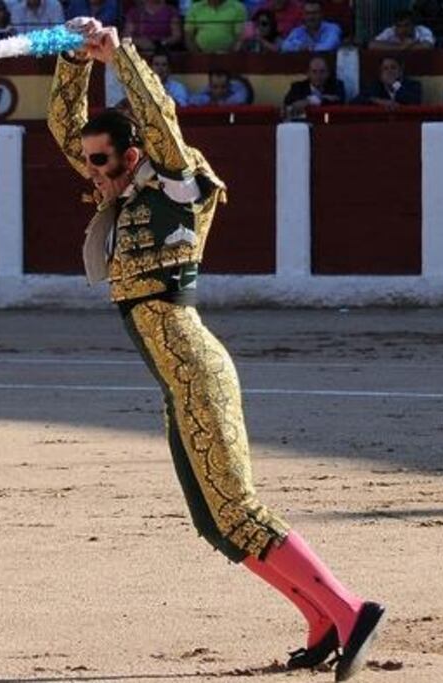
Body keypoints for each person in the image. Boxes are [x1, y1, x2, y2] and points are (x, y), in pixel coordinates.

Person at [46, 18, 385, 682]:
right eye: (90, 162)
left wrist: (121, 57)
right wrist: (71, 58)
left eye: (105, 161)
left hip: (197, 370)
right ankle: (319, 620)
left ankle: (350, 608)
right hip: (179, 386)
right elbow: (66, 127)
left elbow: (161, 119)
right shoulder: (117, 183)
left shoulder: (175, 181)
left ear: (135, 154)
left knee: (240, 509)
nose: (94, 173)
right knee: (214, 521)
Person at [352, 55, 422, 108]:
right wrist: (380, 102)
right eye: (385, 68)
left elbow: (414, 101)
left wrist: (395, 84)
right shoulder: (374, 86)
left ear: (400, 71)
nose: (389, 71)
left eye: (393, 67)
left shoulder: (413, 85)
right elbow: (356, 101)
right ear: (381, 74)